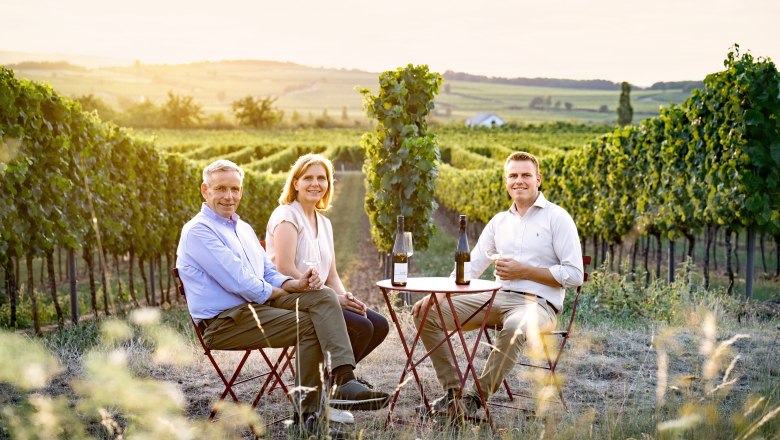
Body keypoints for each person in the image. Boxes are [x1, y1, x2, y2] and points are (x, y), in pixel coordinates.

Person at [176, 159, 389, 436]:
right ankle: (308, 418)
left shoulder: (242, 228)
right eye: (220, 189)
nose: (229, 196)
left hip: (256, 308)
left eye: (235, 189)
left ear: (241, 191)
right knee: (310, 324)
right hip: (225, 322)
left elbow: (267, 271)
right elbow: (243, 283)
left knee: (323, 295)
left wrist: (295, 283)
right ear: (205, 190)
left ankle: (343, 378)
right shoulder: (199, 231)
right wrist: (280, 290)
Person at [412, 151, 584, 418]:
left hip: (539, 304)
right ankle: (452, 394)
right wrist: (440, 294)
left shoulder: (557, 218)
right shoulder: (499, 222)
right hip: (496, 297)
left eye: (526, 175)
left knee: (515, 326)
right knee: (425, 313)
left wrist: (524, 270)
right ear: (506, 182)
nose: (519, 181)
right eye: (513, 175)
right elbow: (472, 264)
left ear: (538, 179)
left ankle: (473, 399)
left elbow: (575, 275)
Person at [265, 153, 390, 424]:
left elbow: (330, 274)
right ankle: (340, 384)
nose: (315, 183)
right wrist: (334, 300)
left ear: (329, 184)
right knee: (362, 327)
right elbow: (285, 268)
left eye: (321, 178)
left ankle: (330, 389)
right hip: (289, 298)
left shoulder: (324, 223)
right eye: (308, 177)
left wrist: (346, 297)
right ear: (295, 183)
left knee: (377, 324)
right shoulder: (287, 216)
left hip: (321, 299)